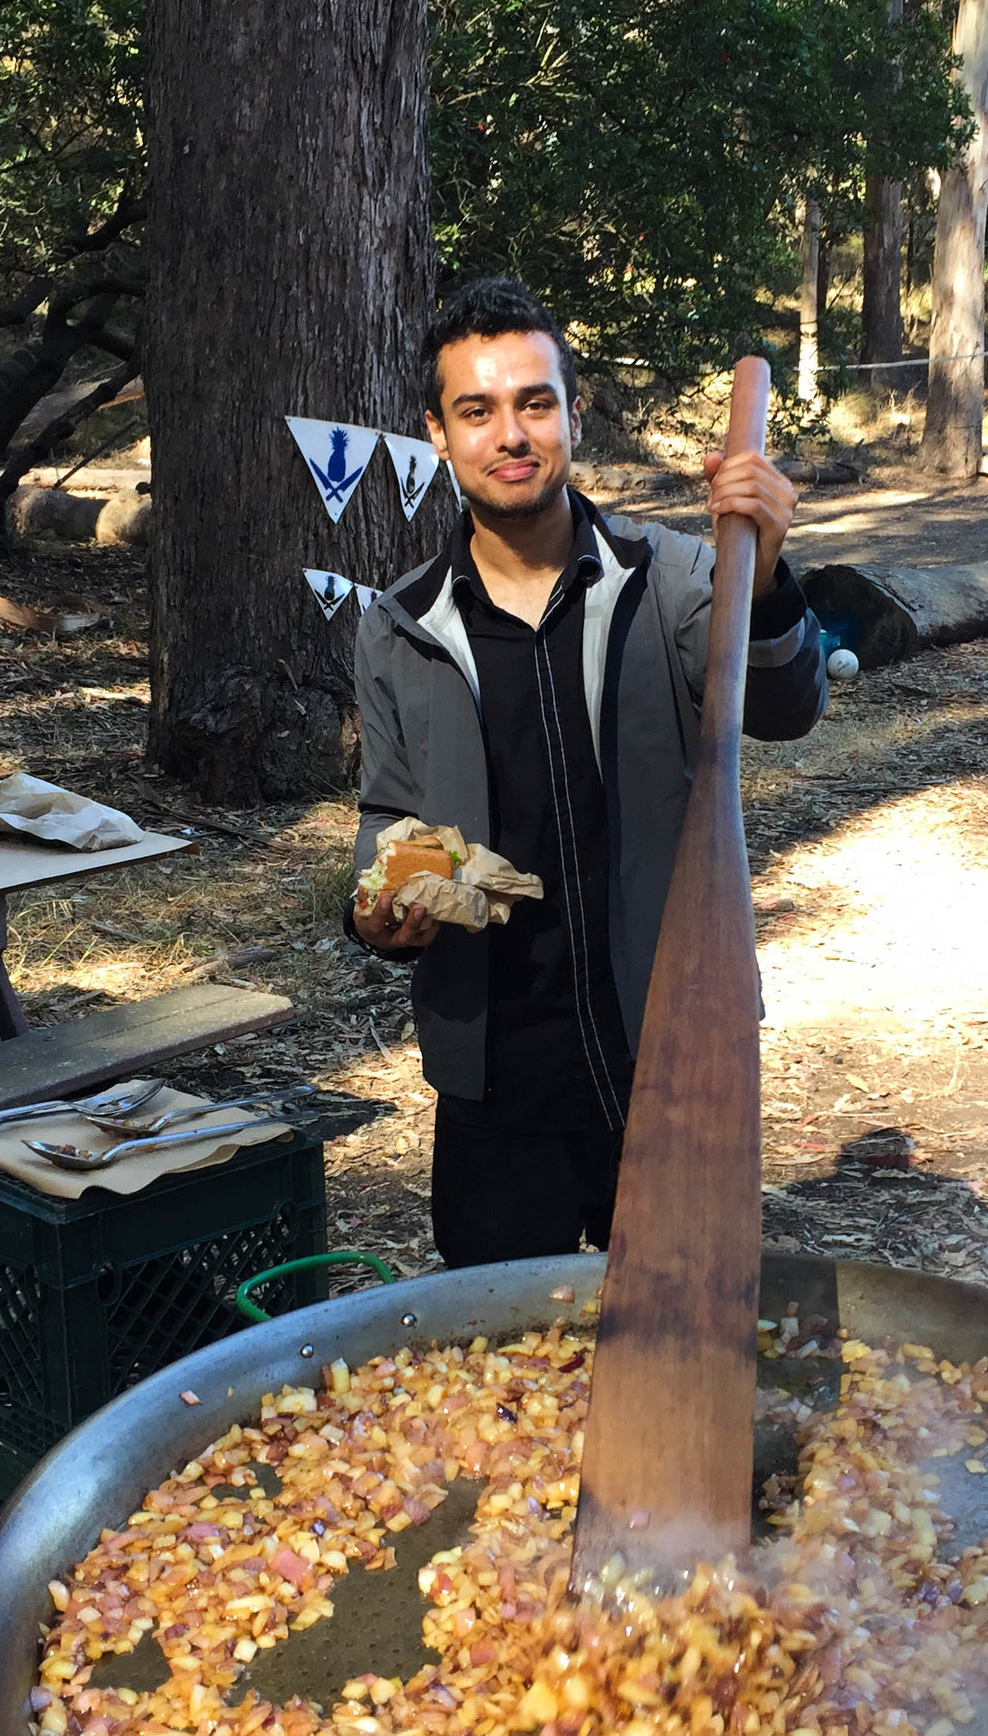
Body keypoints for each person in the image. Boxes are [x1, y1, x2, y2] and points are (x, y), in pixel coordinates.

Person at [349, 276, 828, 1268]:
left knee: (678, 1359)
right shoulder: (399, 623)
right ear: (437, 433)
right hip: (495, 1078)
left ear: (573, 414)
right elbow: (391, 820)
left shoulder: (674, 576)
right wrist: (377, 906)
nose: (510, 434)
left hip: (671, 1056)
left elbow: (787, 710)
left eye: (535, 402)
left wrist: (772, 573)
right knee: (500, 1388)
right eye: (476, 410)